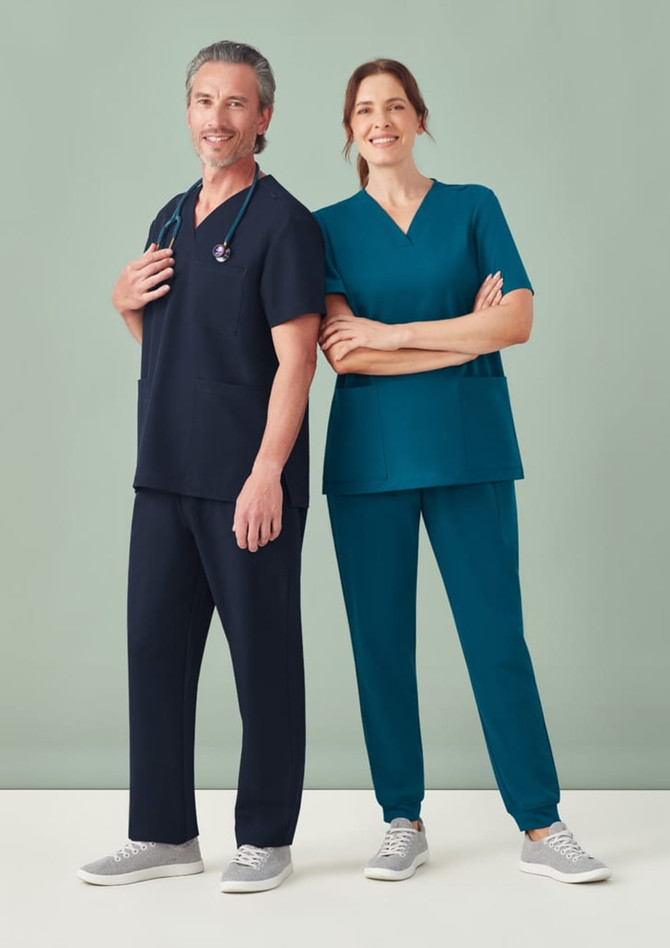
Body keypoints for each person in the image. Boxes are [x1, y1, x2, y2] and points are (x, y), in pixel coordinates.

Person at [314, 59, 611, 885]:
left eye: (395, 106)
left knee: (495, 636)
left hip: (468, 447)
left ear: (419, 118)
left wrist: (395, 335)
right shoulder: (326, 228)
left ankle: (542, 823)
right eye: (365, 110)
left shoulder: (475, 206)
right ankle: (400, 819)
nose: (381, 121)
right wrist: (458, 335)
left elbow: (515, 322)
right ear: (350, 129)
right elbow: (343, 352)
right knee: (380, 644)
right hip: (370, 457)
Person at [77, 41, 324, 894]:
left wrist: (266, 473)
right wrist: (123, 306)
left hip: (245, 480)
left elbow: (297, 361)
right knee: (155, 650)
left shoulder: (285, 224)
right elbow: (174, 342)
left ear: (264, 118)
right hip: (166, 473)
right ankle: (162, 832)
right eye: (204, 101)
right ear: (188, 112)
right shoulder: (170, 218)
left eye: (236, 103)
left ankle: (266, 837)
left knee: (263, 657)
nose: (217, 118)